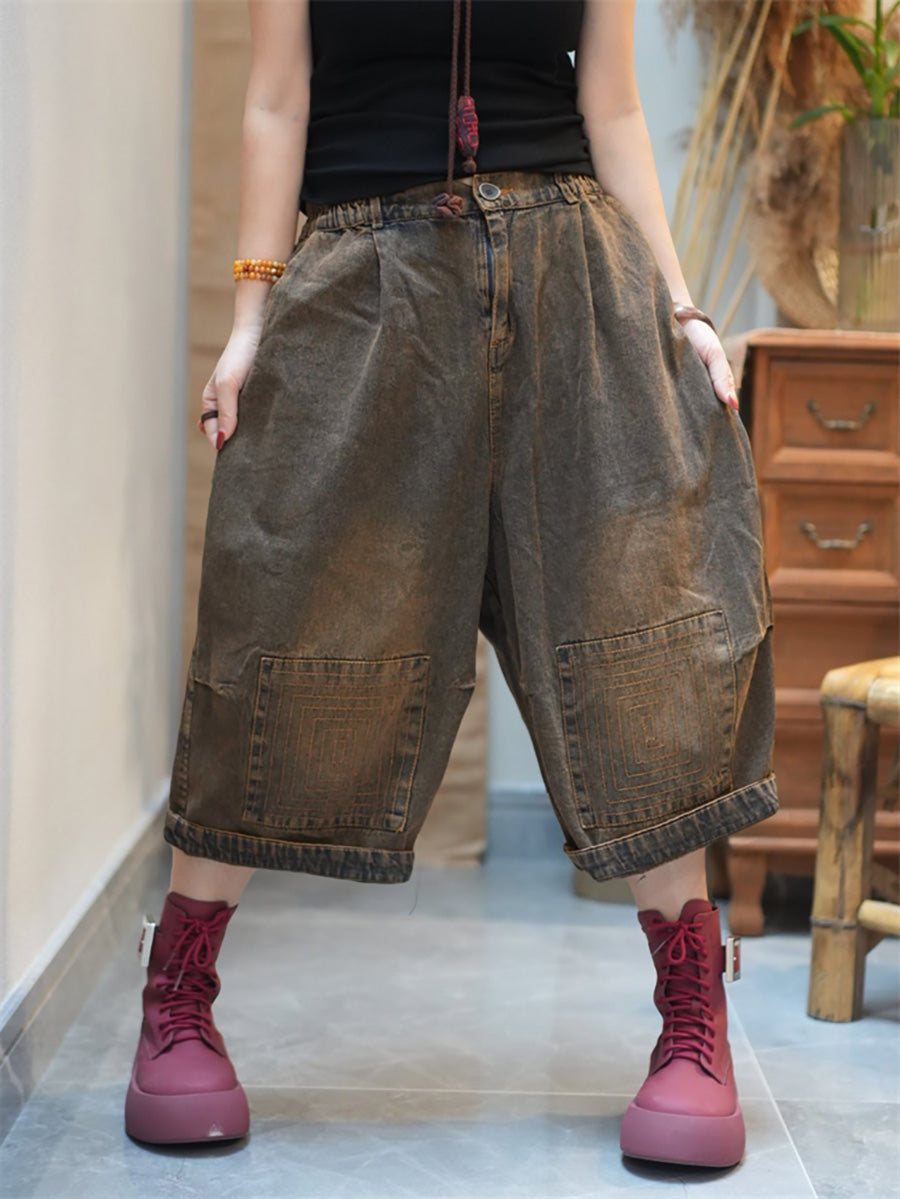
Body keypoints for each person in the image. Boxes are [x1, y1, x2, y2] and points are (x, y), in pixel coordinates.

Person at [124, 0, 778, 1171]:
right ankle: (177, 993)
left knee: (635, 628)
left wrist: (680, 303)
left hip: (578, 283)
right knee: (277, 620)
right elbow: (276, 98)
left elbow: (613, 107)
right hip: (363, 277)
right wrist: (248, 319)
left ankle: (693, 1014)